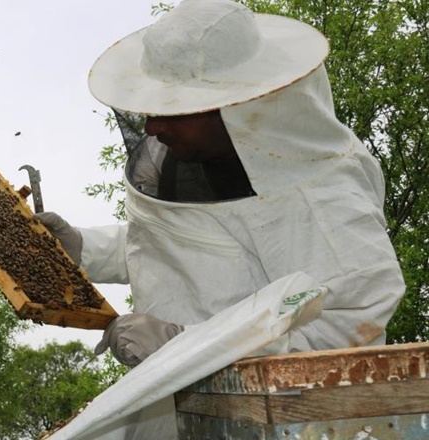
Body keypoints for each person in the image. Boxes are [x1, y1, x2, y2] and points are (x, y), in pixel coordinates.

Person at [37, 0, 405, 437]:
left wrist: (188, 347)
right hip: (173, 415)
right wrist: (82, 247)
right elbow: (180, 243)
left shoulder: (322, 198)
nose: (153, 128)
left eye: (173, 111)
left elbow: (348, 333)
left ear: (239, 108)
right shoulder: (199, 161)